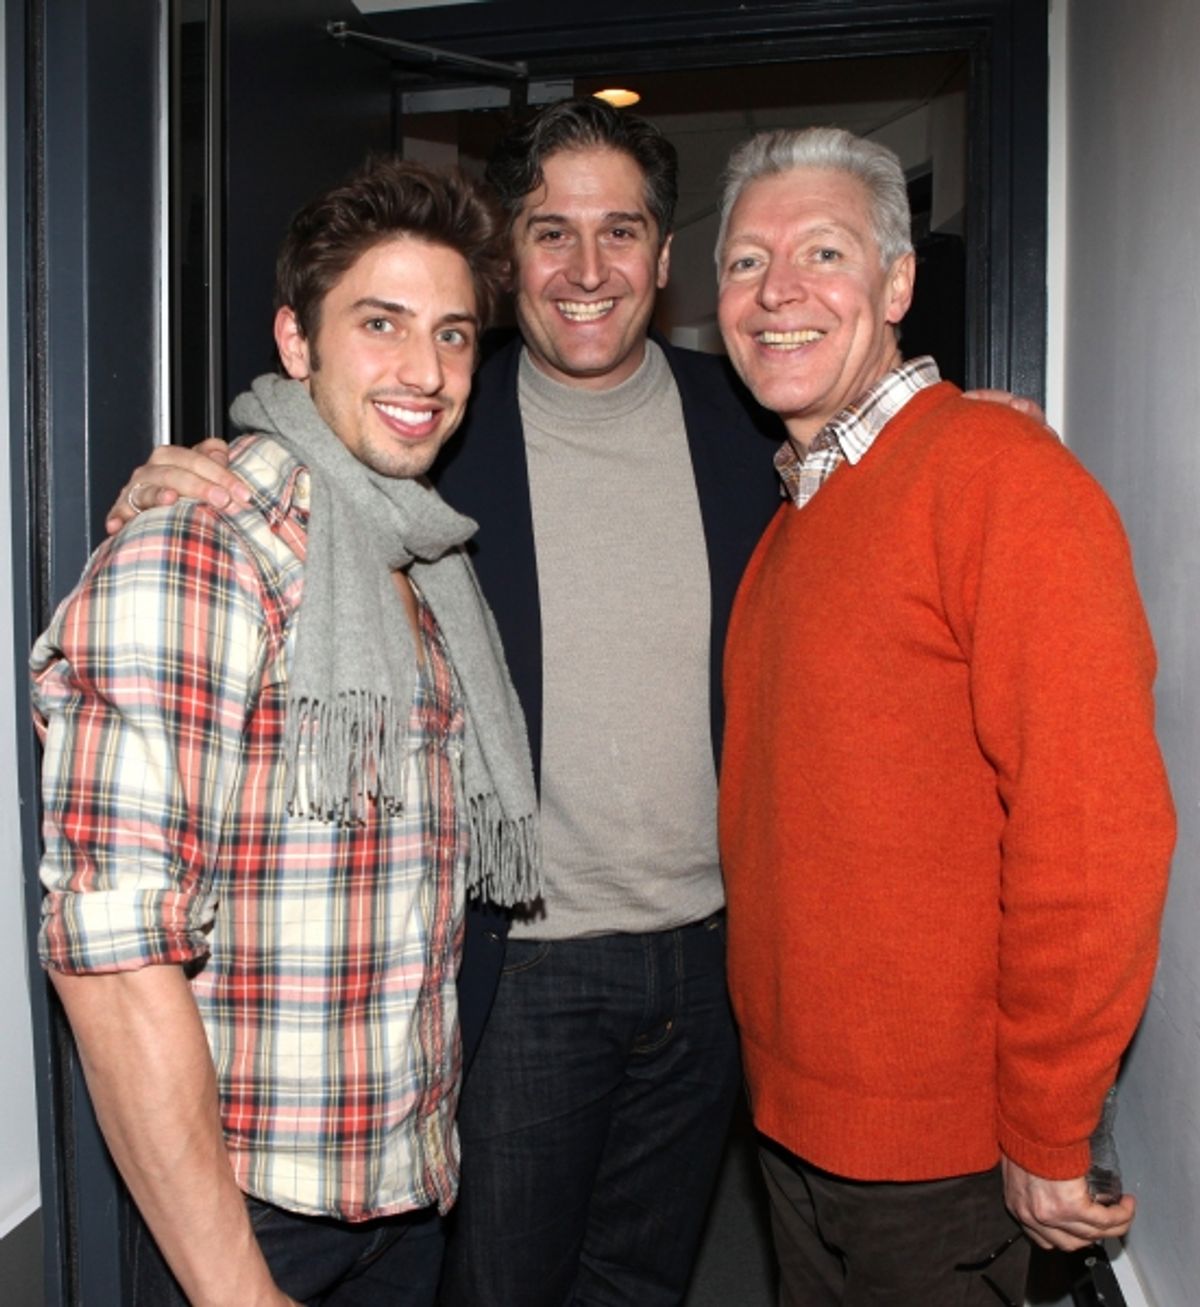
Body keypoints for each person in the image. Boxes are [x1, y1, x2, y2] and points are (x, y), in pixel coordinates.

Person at [103, 102, 1040, 1306]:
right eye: (551, 233)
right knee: (502, 1285)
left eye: (622, 233)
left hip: (715, 966)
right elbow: (314, 457)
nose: (586, 270)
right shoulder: (438, 420)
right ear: (509, 259)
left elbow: (884, 466)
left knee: (643, 1281)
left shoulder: (751, 418)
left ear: (664, 257)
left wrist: (970, 426)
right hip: (521, 972)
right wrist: (179, 472)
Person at [33, 158, 539, 1307]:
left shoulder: (418, 562)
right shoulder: (199, 553)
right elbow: (111, 955)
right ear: (296, 342)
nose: (426, 371)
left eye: (455, 334)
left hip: (402, 1194)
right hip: (253, 1224)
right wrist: (236, 1289)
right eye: (382, 323)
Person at [715, 125, 1175, 1306]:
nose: (777, 294)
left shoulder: (999, 478)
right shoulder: (791, 522)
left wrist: (1049, 1117)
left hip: (944, 1158)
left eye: (822, 251)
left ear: (899, 282)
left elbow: (1096, 826)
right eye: (743, 263)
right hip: (798, 1125)